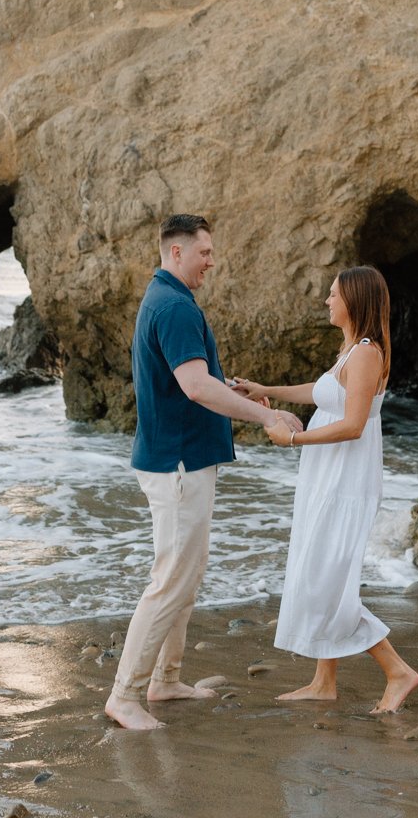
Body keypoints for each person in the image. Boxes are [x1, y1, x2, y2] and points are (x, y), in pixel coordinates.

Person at [104, 214, 303, 731]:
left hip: (182, 460)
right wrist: (267, 416)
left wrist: (233, 391)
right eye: (204, 253)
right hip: (178, 464)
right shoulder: (172, 306)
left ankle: (165, 680)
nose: (211, 262)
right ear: (176, 253)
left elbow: (193, 383)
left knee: (184, 578)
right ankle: (124, 696)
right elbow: (194, 387)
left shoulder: (169, 300)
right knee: (170, 580)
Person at [233, 265, 418, 714]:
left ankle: (398, 672)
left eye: (333, 294)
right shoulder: (351, 351)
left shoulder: (366, 354)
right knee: (320, 574)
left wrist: (292, 439)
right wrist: (266, 390)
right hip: (327, 479)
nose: (326, 300)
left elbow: (353, 425)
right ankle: (323, 681)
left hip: (345, 484)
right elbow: (323, 395)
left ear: (353, 301)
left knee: (326, 583)